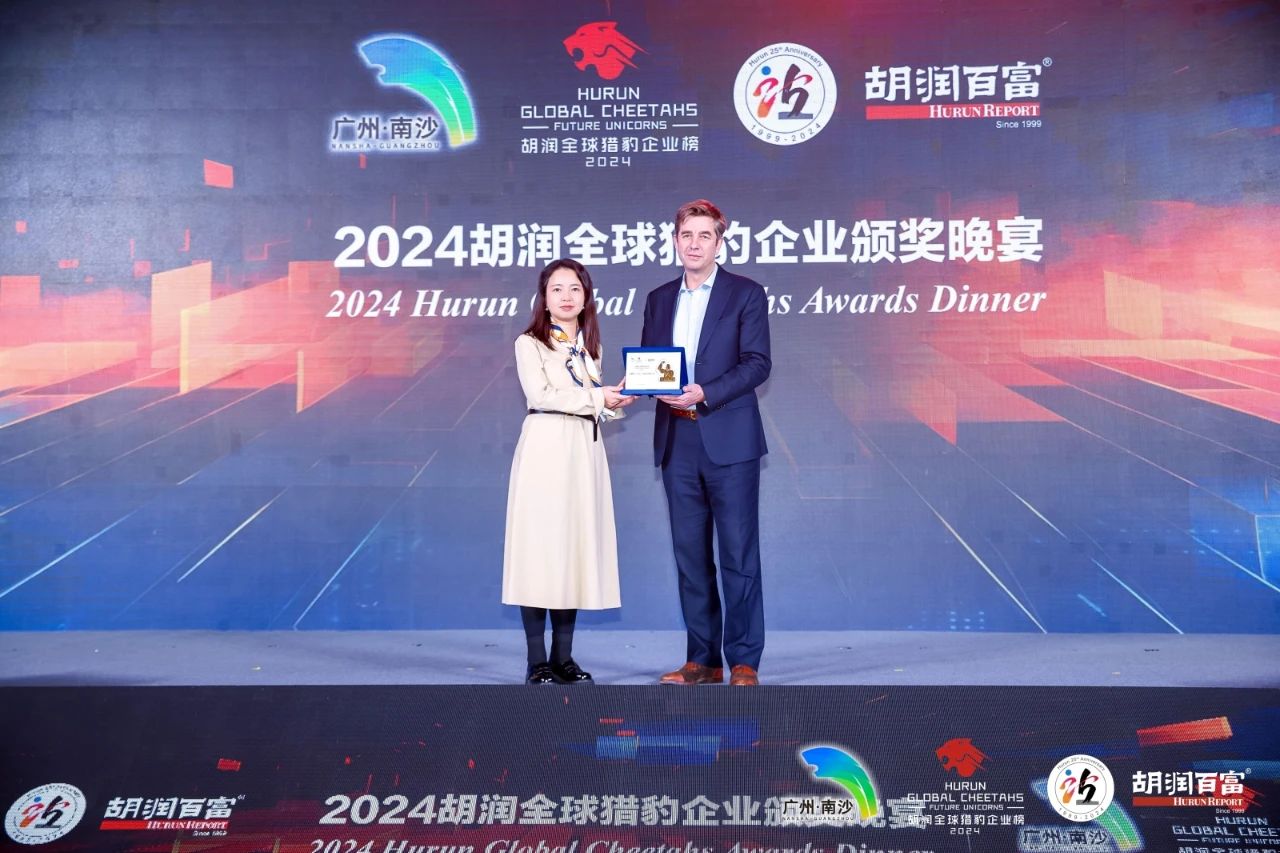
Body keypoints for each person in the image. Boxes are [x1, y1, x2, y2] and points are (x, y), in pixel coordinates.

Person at [641, 199, 771, 687]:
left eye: (704, 236)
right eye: (686, 235)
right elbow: (652, 362)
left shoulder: (745, 293)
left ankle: (744, 660)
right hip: (677, 439)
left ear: (719, 242)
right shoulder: (658, 298)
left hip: (729, 440)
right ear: (675, 240)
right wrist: (645, 385)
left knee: (738, 554)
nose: (694, 244)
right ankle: (702, 660)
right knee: (690, 557)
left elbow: (758, 363)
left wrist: (706, 392)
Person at [503, 258, 634, 685]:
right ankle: (536, 661)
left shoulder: (590, 346)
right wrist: (598, 398)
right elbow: (541, 395)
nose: (566, 296)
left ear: (586, 297)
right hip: (545, 449)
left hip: (583, 451)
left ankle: (564, 658)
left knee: (572, 550)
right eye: (557, 288)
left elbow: (590, 403)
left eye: (574, 288)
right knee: (539, 552)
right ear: (543, 298)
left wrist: (614, 402)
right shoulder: (529, 343)